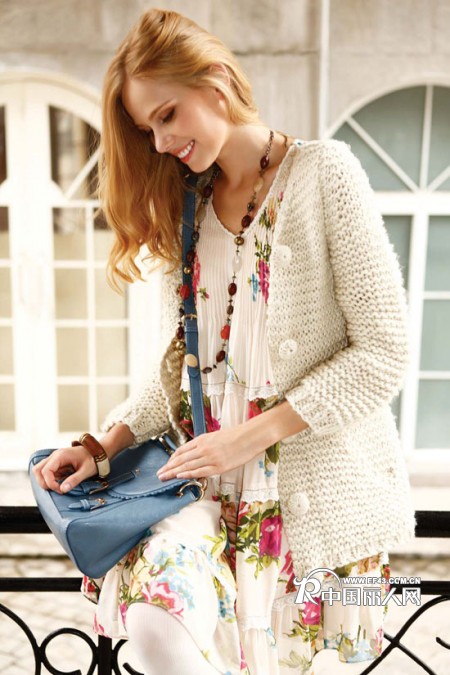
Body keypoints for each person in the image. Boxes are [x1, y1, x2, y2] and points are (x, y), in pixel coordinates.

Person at [33, 8, 416, 675]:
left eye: (167, 115)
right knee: (156, 628)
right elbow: (180, 375)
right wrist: (103, 444)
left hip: (317, 514)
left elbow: (384, 352)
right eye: (147, 128)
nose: (160, 142)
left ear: (215, 82)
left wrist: (250, 436)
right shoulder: (186, 206)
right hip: (200, 501)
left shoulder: (325, 174)